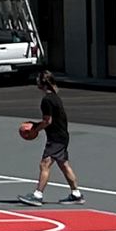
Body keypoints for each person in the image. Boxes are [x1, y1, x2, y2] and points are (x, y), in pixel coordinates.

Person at [27, 70, 81, 205]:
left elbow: (47, 121)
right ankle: (76, 194)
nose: (36, 82)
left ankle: (38, 195)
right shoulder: (55, 97)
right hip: (62, 136)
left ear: (43, 83)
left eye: (38, 80)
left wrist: (35, 130)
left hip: (56, 138)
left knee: (45, 164)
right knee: (63, 165)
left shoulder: (47, 100)